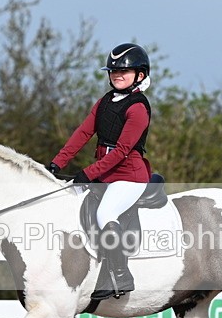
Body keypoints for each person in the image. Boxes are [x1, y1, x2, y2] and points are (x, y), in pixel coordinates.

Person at [47, 43, 153, 300]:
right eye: (113, 71)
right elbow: (83, 133)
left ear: (139, 75)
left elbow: (121, 152)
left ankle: (119, 275)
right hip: (104, 175)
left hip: (129, 175)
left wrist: (87, 174)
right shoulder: (105, 101)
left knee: (106, 212)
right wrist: (56, 163)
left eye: (124, 72)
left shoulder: (137, 108)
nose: (117, 75)